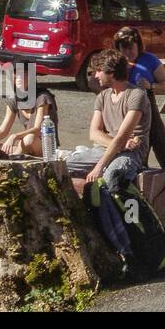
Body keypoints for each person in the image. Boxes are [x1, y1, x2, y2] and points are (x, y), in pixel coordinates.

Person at [65, 50, 152, 272]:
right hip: (109, 148)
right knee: (61, 165)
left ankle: (124, 248)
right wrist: (119, 143)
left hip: (130, 155)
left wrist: (100, 165)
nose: (95, 76)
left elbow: (124, 135)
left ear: (111, 73)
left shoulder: (136, 96)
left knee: (110, 179)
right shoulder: (102, 97)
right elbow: (94, 134)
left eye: (98, 72)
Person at [0, 63, 58, 159]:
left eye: (23, 74)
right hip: (23, 148)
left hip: (45, 147)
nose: (18, 77)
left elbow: (38, 129)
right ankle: (12, 159)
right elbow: (2, 130)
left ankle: (11, 160)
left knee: (29, 139)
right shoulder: (14, 99)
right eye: (15, 74)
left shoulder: (42, 97)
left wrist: (14, 136)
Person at [114, 25, 165, 167]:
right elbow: (96, 81)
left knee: (152, 139)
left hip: (145, 104)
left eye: (131, 48)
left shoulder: (150, 60)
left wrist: (151, 86)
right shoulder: (115, 61)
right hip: (122, 105)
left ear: (138, 45)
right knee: (124, 140)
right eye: (123, 48)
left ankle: (162, 171)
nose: (127, 53)